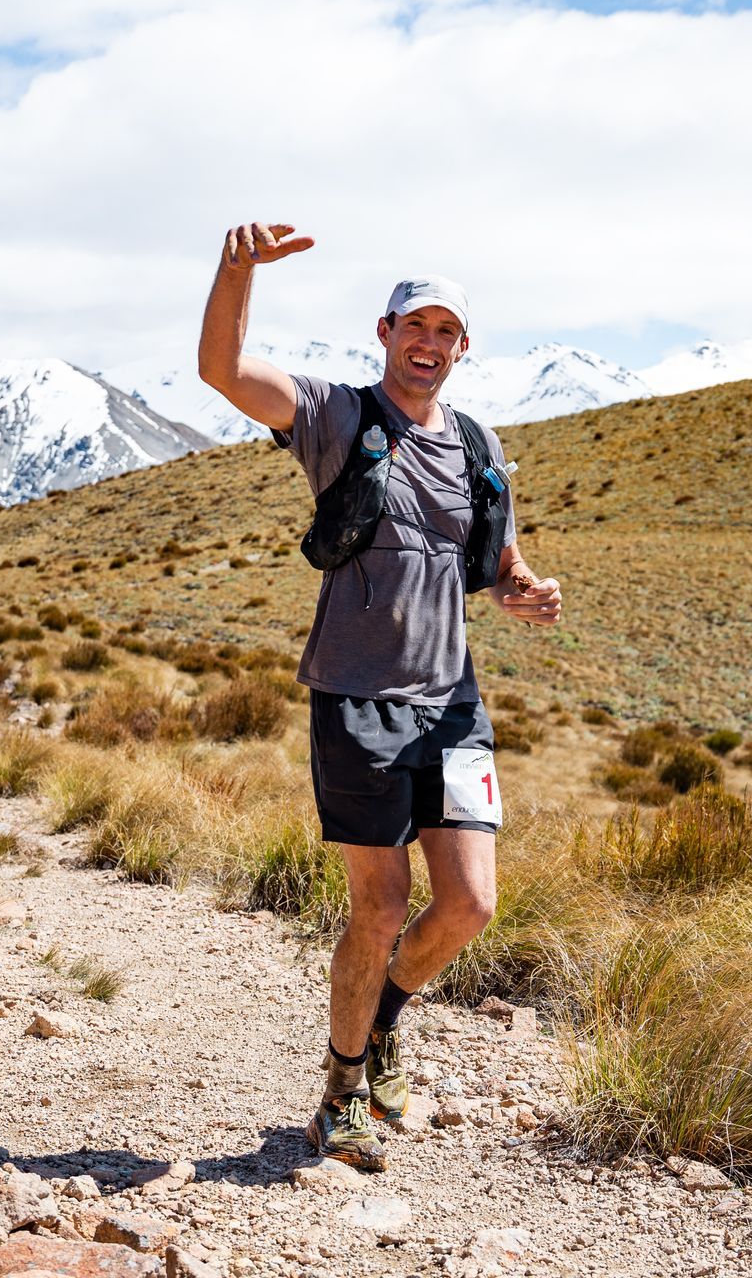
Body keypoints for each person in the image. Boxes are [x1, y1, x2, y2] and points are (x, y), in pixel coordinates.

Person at [197, 222, 563, 1173]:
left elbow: (498, 559)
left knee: (471, 904)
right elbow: (224, 369)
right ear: (385, 331)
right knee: (380, 904)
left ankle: (385, 1019)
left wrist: (525, 588)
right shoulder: (337, 417)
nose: (429, 343)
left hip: (454, 704)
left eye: (447, 330)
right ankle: (340, 1090)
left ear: (462, 346)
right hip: (358, 699)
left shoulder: (479, 444)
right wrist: (239, 268)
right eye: (415, 325)